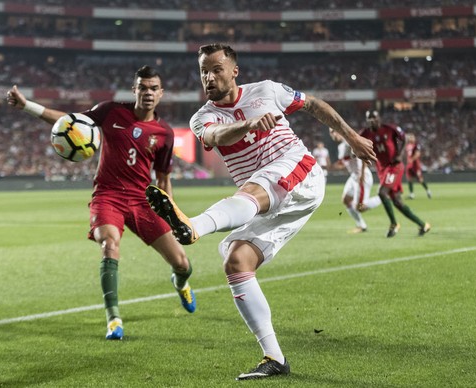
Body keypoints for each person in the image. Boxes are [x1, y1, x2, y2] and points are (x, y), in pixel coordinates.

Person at [145, 43, 376, 380]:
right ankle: (274, 357)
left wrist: (352, 136)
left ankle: (193, 226)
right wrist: (249, 125)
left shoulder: (267, 90)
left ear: (234, 70)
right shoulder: (202, 117)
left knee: (253, 189)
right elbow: (216, 135)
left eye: (216, 69)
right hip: (268, 199)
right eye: (203, 71)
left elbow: (314, 105)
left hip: (299, 170)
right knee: (237, 261)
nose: (209, 77)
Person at [5, 66, 196, 341]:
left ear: (161, 93)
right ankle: (114, 319)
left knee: (182, 263)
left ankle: (180, 283)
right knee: (109, 244)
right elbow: (68, 122)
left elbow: (164, 179)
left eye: (154, 88)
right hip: (108, 195)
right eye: (143, 87)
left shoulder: (164, 133)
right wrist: (27, 106)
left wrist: (174, 215)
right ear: (135, 91)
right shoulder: (110, 111)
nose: (148, 93)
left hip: (142, 201)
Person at [359, 111, 431, 238]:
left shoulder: (389, 129)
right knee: (397, 201)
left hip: (394, 167)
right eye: (368, 118)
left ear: (379, 118)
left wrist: (400, 154)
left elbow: (404, 138)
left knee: (382, 192)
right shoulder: (365, 133)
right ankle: (423, 225)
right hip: (382, 170)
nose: (371, 121)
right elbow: (360, 148)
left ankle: (393, 224)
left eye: (374, 118)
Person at [329, 128, 381, 233]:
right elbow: (345, 163)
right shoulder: (341, 146)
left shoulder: (349, 143)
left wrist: (362, 172)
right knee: (346, 200)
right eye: (331, 132)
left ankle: (383, 198)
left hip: (361, 177)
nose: (333, 134)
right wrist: (329, 167)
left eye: (335, 130)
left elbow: (363, 155)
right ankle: (361, 225)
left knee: (360, 207)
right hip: (353, 177)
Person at [405, 133, 432, 199]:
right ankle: (411, 194)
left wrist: (411, 159)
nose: (411, 138)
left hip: (415, 165)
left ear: (414, 138)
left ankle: (428, 191)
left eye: (412, 137)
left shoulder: (416, 145)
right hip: (409, 165)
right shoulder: (407, 145)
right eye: (410, 137)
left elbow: (417, 154)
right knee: (409, 179)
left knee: (420, 180)